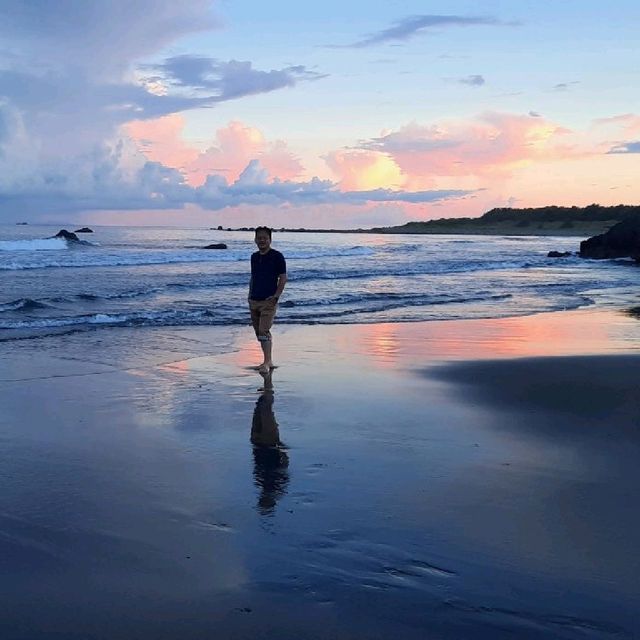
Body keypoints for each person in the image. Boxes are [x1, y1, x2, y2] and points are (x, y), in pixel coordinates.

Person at [248, 226, 287, 373]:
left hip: (269, 300)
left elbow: (283, 278)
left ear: (270, 239)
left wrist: (276, 296)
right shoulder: (254, 257)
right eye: (259, 238)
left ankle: (266, 362)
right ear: (255, 239)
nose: (262, 240)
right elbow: (253, 277)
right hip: (254, 300)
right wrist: (249, 295)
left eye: (265, 238)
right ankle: (268, 360)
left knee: (264, 331)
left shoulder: (277, 256)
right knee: (259, 333)